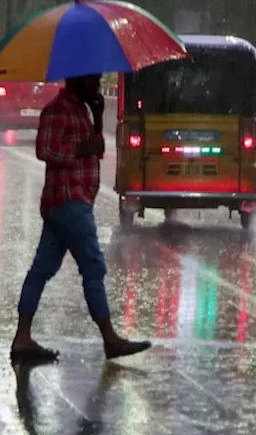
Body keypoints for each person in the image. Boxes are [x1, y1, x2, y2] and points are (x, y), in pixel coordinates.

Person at [9, 73, 151, 364]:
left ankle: (22, 337)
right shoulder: (58, 110)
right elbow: (44, 149)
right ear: (78, 80)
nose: (98, 86)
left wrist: (98, 117)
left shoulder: (82, 111)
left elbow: (95, 148)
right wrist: (79, 150)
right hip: (68, 200)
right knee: (93, 266)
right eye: (94, 81)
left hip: (74, 200)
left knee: (41, 269)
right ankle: (110, 338)